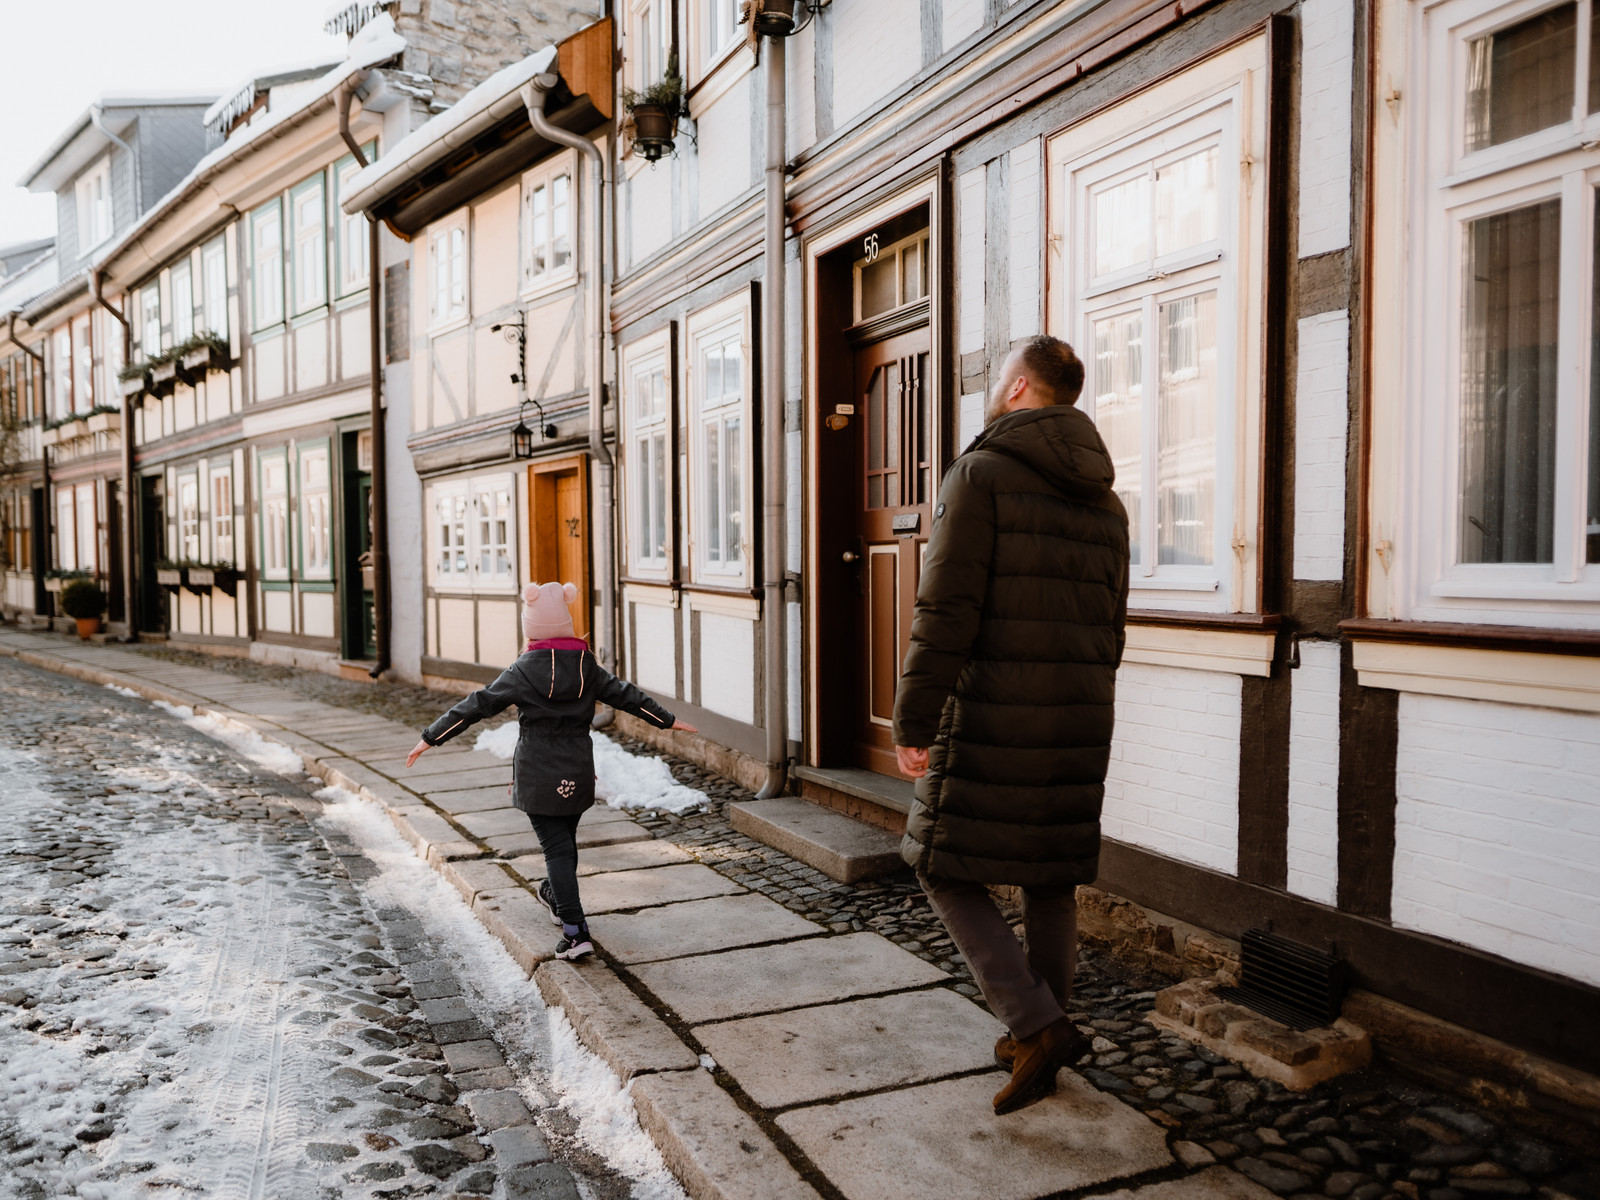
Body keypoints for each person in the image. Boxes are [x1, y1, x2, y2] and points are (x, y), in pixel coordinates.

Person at [892, 334, 1130, 1115]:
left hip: (992, 709)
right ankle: (1042, 1036)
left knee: (938, 861)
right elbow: (1112, 628)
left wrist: (914, 720)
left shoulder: (980, 475)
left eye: (1000, 378)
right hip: (1079, 714)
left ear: (1021, 387)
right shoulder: (1108, 502)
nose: (994, 389)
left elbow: (945, 611)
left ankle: (1036, 1024)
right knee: (1049, 875)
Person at [406, 581, 696, 961]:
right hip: (577, 771)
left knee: (556, 849)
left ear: (530, 628)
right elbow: (628, 696)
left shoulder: (522, 671)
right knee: (564, 843)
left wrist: (430, 737)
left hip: (538, 775)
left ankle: (575, 933)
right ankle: (556, 899)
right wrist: (667, 720)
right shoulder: (587, 666)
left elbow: (476, 705)